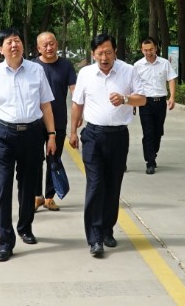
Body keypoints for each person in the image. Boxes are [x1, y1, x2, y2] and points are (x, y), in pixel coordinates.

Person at [0, 28, 56, 262]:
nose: (14, 45)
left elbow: (46, 105)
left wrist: (51, 134)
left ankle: (25, 227)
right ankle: (5, 240)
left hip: (32, 134)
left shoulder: (36, 70)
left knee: (28, 186)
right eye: (9, 42)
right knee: (3, 187)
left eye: (17, 41)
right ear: (0, 49)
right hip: (3, 135)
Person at [69, 33, 146, 257]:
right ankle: (94, 237)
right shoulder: (85, 73)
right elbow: (77, 104)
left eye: (108, 52)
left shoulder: (128, 71)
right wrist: (72, 131)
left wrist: (125, 99)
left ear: (115, 52)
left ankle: (107, 230)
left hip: (118, 136)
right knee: (95, 185)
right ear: (93, 54)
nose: (105, 58)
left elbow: (142, 99)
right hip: (93, 136)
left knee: (113, 185)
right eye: (100, 53)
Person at [32, 31, 76, 211]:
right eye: (45, 45)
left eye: (52, 43)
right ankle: (37, 196)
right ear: (38, 48)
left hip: (58, 120)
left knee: (53, 159)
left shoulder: (66, 66)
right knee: (35, 159)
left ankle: (50, 197)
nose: (49, 47)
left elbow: (75, 91)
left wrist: (78, 112)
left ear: (57, 44)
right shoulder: (32, 66)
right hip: (35, 121)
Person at [134, 37, 177, 174]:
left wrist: (172, 97)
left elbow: (171, 79)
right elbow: (133, 84)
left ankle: (153, 153)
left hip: (160, 102)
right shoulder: (137, 66)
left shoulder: (164, 63)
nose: (148, 52)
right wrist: (133, 101)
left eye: (151, 49)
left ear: (156, 48)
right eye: (145, 50)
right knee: (148, 132)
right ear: (142, 50)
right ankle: (150, 161)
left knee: (158, 132)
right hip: (145, 102)